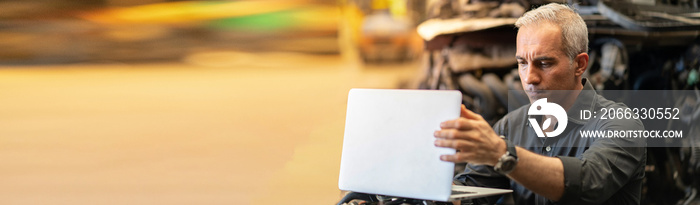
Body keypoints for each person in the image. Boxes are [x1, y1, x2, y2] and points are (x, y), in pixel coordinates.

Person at [434, 3, 647, 204]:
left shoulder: (621, 124)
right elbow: (470, 193)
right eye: (522, 63)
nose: (529, 78)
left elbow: (587, 181)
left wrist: (503, 155)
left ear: (580, 64)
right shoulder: (510, 127)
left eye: (544, 63)